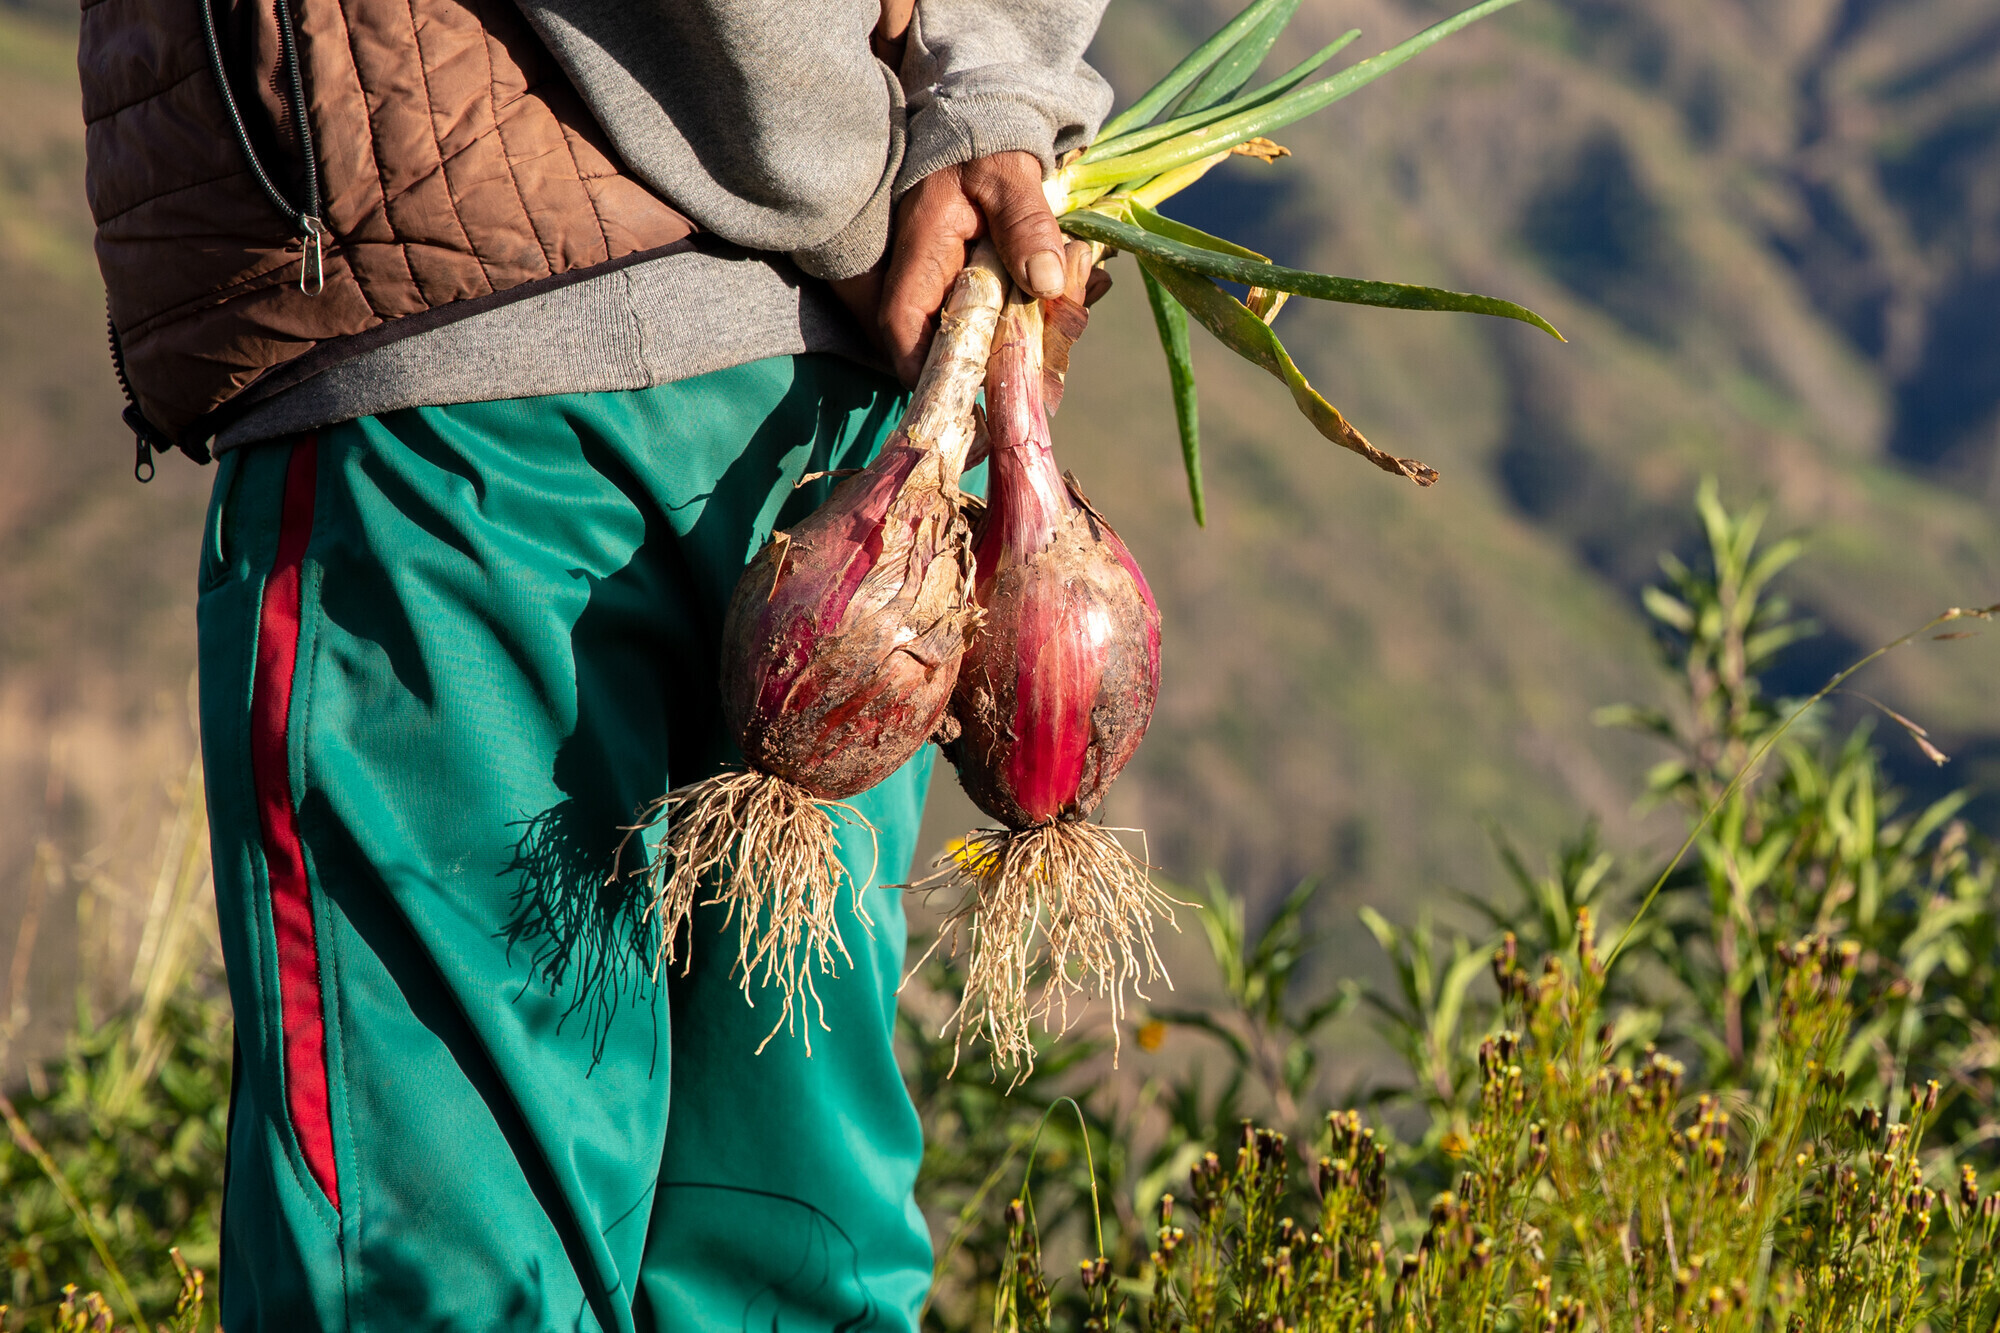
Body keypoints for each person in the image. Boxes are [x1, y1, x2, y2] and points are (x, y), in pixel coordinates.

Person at [81, 0, 1110, 1326]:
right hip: (846, 457)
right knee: (790, 1261)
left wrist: (845, 154)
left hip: (465, 383)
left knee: (439, 1264)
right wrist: (981, 100)